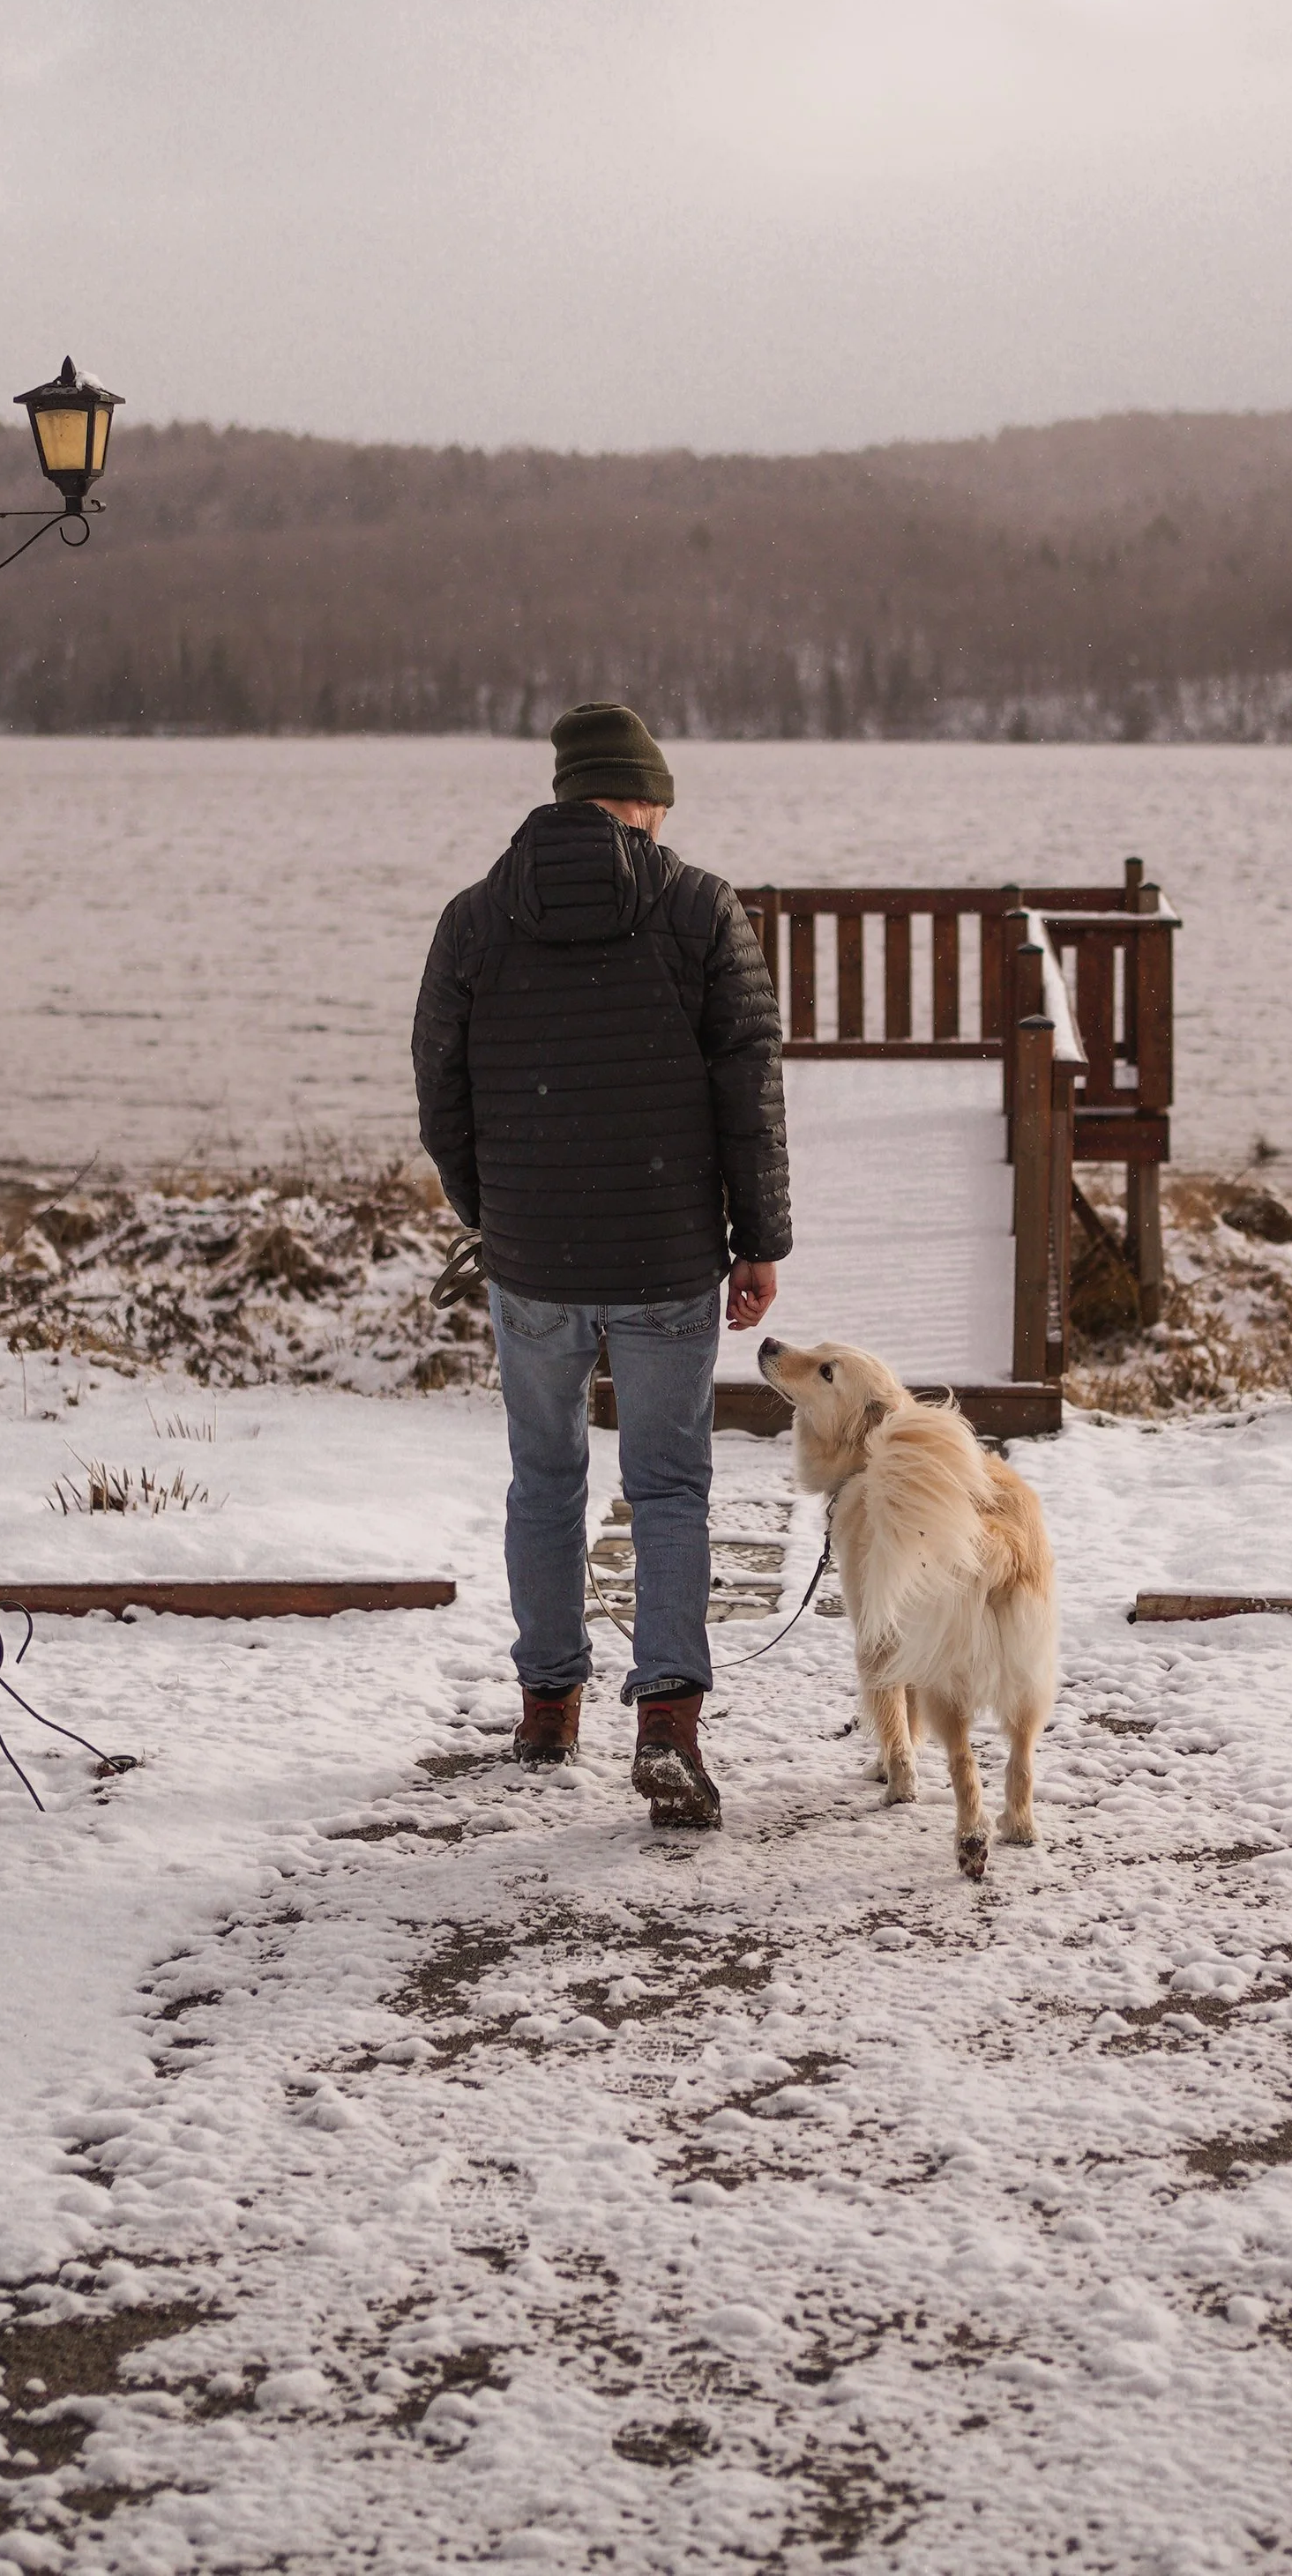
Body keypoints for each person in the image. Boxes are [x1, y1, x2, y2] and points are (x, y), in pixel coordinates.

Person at [412, 702, 790, 1830]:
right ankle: (667, 1719)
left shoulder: (475, 919)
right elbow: (747, 1081)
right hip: (667, 1251)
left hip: (531, 1253)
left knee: (544, 1476)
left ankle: (546, 1704)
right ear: (638, 800)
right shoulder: (696, 907)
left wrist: (496, 1211)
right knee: (668, 1486)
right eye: (660, 805)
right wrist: (756, 1238)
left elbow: (442, 1091)